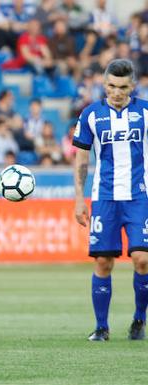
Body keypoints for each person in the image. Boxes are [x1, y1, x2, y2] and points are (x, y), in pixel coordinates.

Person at [73, 59, 148, 342]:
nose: (116, 92)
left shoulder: (145, 112)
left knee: (142, 259)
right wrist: (80, 197)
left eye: (122, 87)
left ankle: (139, 320)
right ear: (104, 85)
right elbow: (81, 159)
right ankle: (102, 327)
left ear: (132, 86)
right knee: (103, 262)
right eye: (112, 86)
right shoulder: (90, 115)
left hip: (139, 196)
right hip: (104, 197)